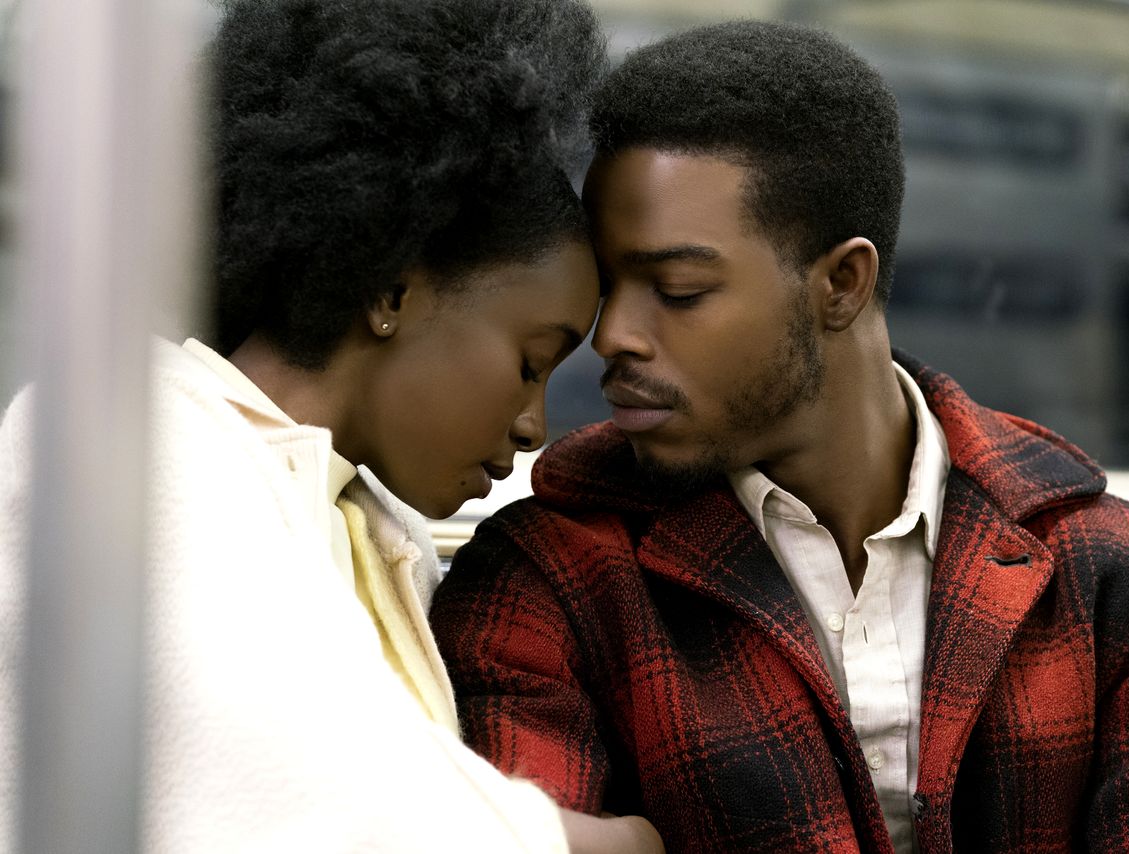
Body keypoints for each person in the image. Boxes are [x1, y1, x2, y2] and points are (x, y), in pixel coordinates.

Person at [430, 19, 1129, 854]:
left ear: (842, 282)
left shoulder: (1123, 582)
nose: (612, 334)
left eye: (678, 288)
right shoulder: (551, 580)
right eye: (608, 287)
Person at [0, 0, 662, 850]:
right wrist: (627, 843)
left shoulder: (356, 524)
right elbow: (338, 810)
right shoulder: (129, 441)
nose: (535, 424)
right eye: (531, 362)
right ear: (392, 294)